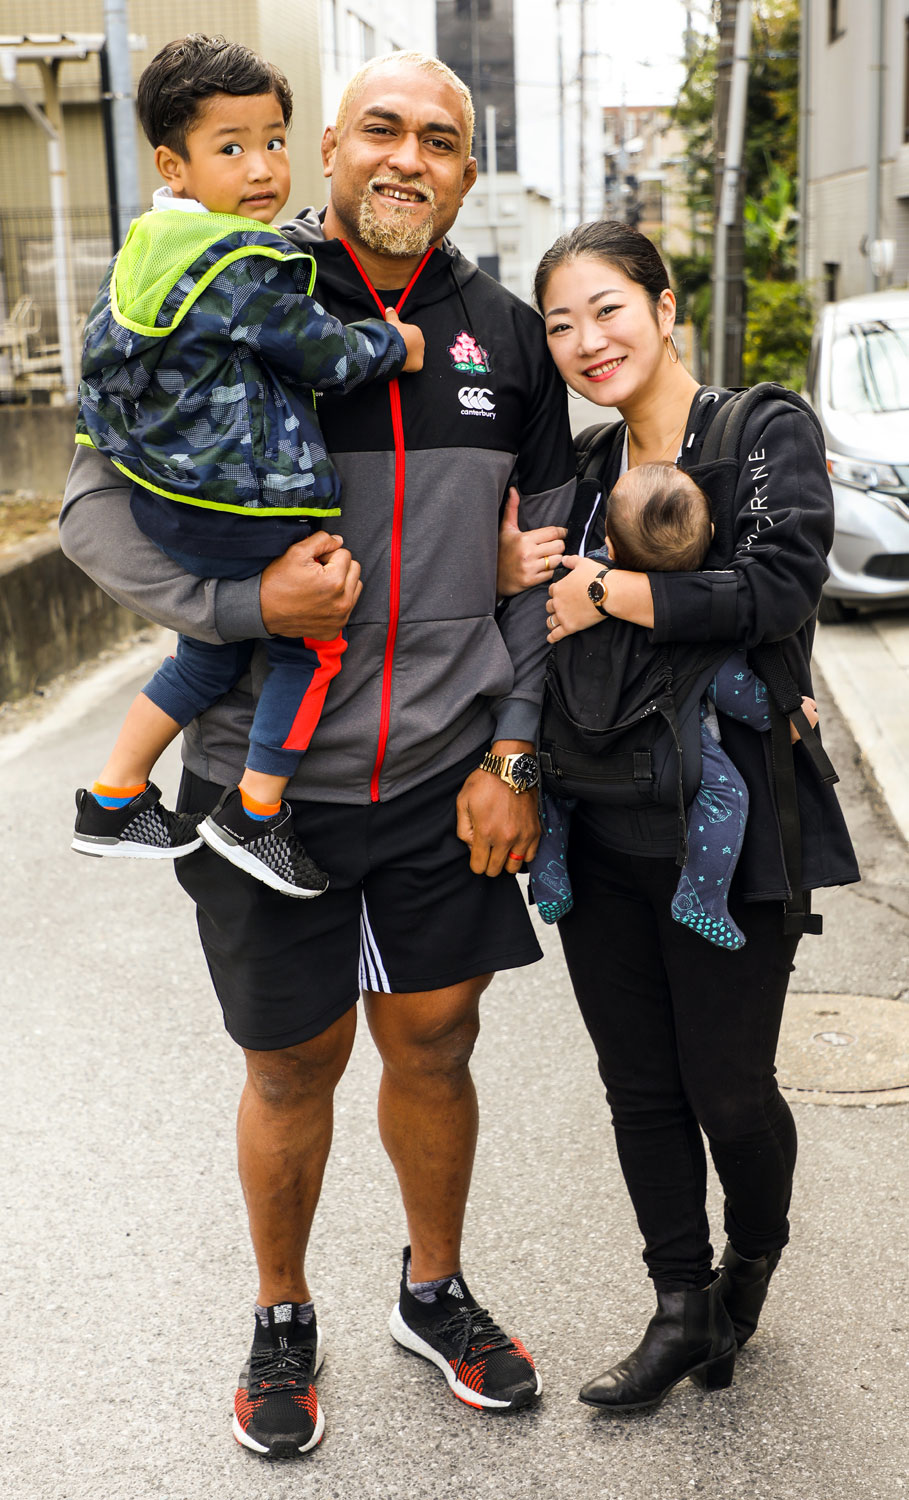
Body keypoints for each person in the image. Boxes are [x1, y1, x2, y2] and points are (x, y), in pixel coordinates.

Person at [60, 48, 576, 1456]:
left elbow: (541, 565)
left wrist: (514, 752)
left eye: (443, 140)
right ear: (330, 150)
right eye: (382, 131)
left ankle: (432, 1287)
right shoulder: (244, 282)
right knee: (291, 1067)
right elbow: (90, 516)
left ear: (469, 172)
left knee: (437, 1039)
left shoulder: (506, 339)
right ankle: (281, 1313)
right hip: (253, 781)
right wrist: (246, 607)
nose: (410, 158)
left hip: (443, 773)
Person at [530, 219, 858, 1412]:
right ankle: (678, 1305)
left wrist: (611, 589)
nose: (585, 340)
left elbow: (778, 585)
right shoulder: (574, 475)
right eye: (562, 322)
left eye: (608, 308)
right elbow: (533, 620)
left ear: (667, 308)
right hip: (601, 816)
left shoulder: (759, 430)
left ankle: (749, 1263)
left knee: (728, 1086)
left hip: (735, 830)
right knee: (639, 1086)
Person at [72, 35, 424, 899]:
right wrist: (395, 343)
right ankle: (255, 811)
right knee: (315, 639)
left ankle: (113, 796)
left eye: (273, 140)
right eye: (231, 148)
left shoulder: (145, 252)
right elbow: (328, 358)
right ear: (174, 163)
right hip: (246, 507)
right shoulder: (240, 262)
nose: (263, 167)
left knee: (209, 652)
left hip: (169, 497)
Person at [527, 461, 819, 948]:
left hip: (572, 740)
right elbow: (736, 692)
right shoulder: (689, 619)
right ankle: (699, 898)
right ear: (708, 535)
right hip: (660, 753)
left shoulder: (575, 583)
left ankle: (550, 876)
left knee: (554, 794)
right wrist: (788, 716)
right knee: (727, 795)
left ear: (611, 543)